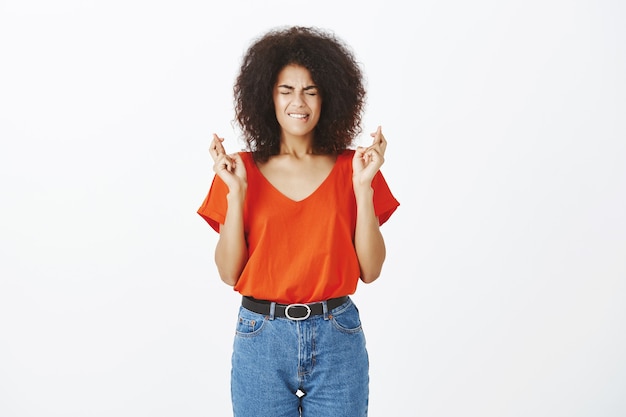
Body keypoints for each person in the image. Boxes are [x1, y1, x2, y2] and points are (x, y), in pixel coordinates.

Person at [197, 25, 399, 417]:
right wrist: (235, 193)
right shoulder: (238, 170)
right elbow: (227, 273)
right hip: (261, 338)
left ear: (329, 96)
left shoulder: (354, 167)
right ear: (266, 96)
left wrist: (363, 187)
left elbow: (371, 271)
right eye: (286, 90)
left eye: (311, 90)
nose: (299, 102)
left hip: (337, 336)